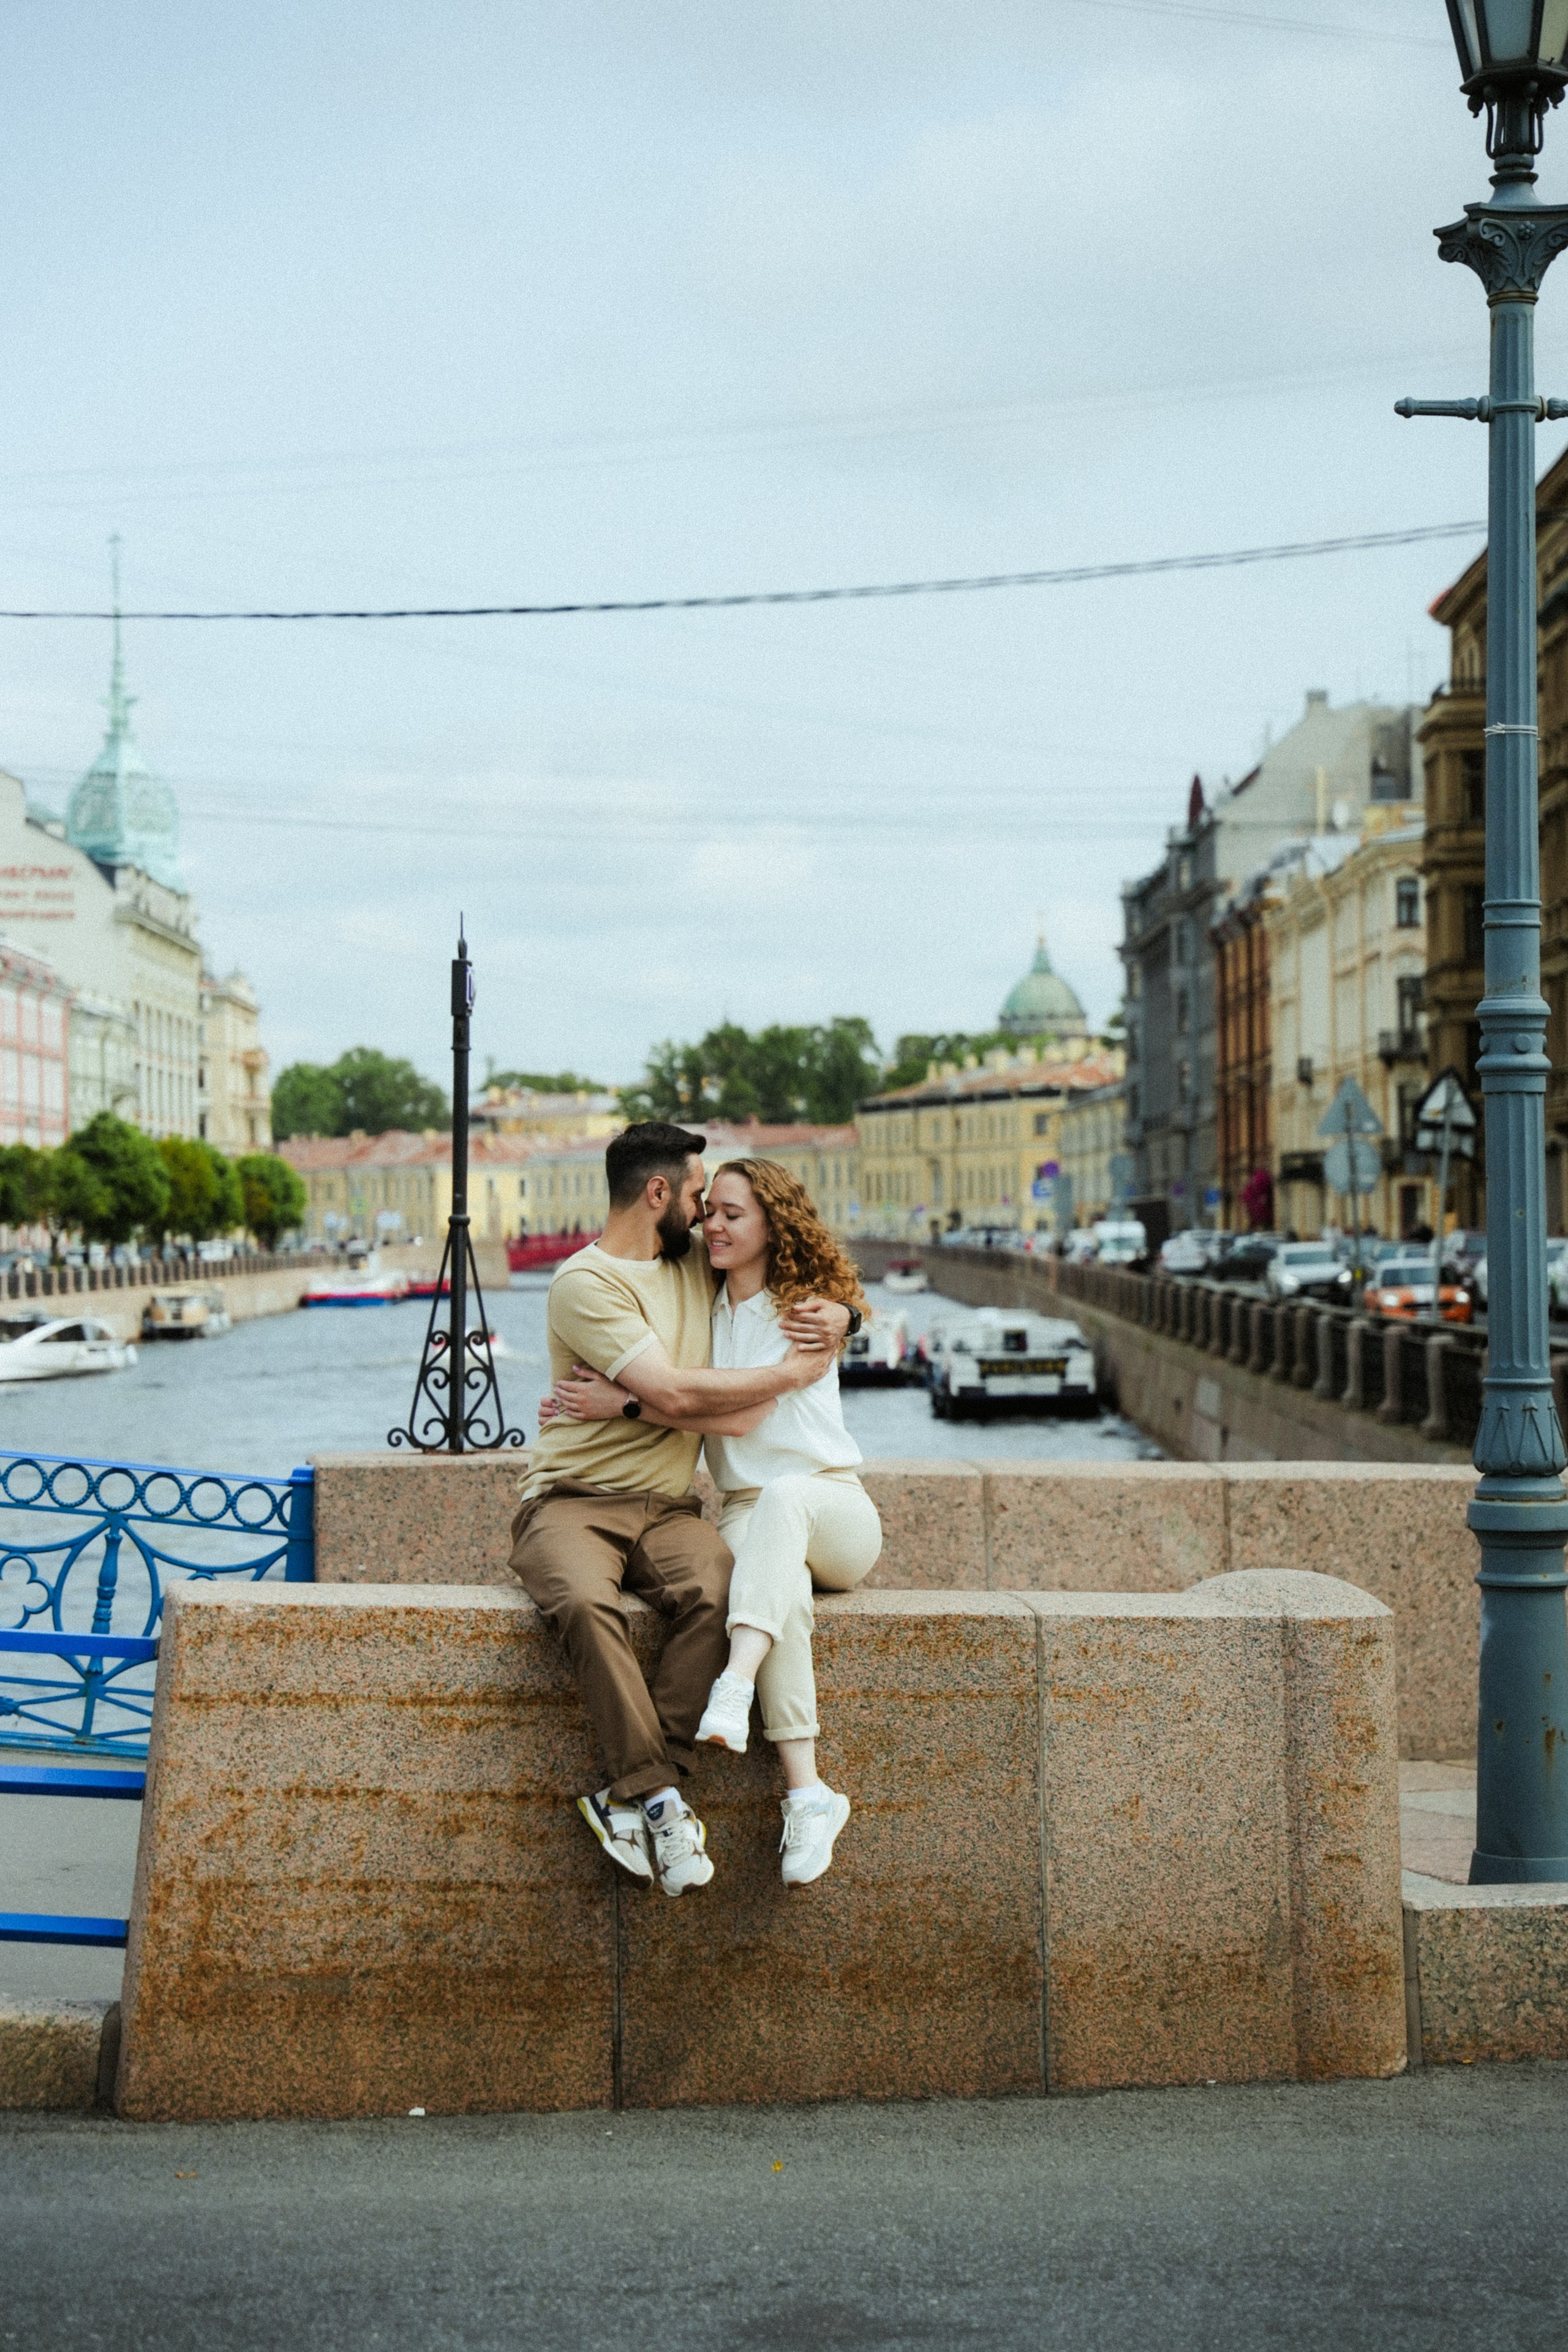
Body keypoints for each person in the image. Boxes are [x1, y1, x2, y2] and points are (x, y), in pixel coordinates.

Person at [510, 1121, 849, 1900]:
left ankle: (628, 1793)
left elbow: (788, 1258)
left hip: (666, 1508)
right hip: (571, 1502)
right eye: (697, 1196)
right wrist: (783, 1374)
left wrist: (843, 1321)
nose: (706, 1215)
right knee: (586, 1604)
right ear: (657, 1193)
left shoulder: (696, 1261)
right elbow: (672, 1393)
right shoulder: (585, 1283)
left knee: (722, 1591)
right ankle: (661, 1799)